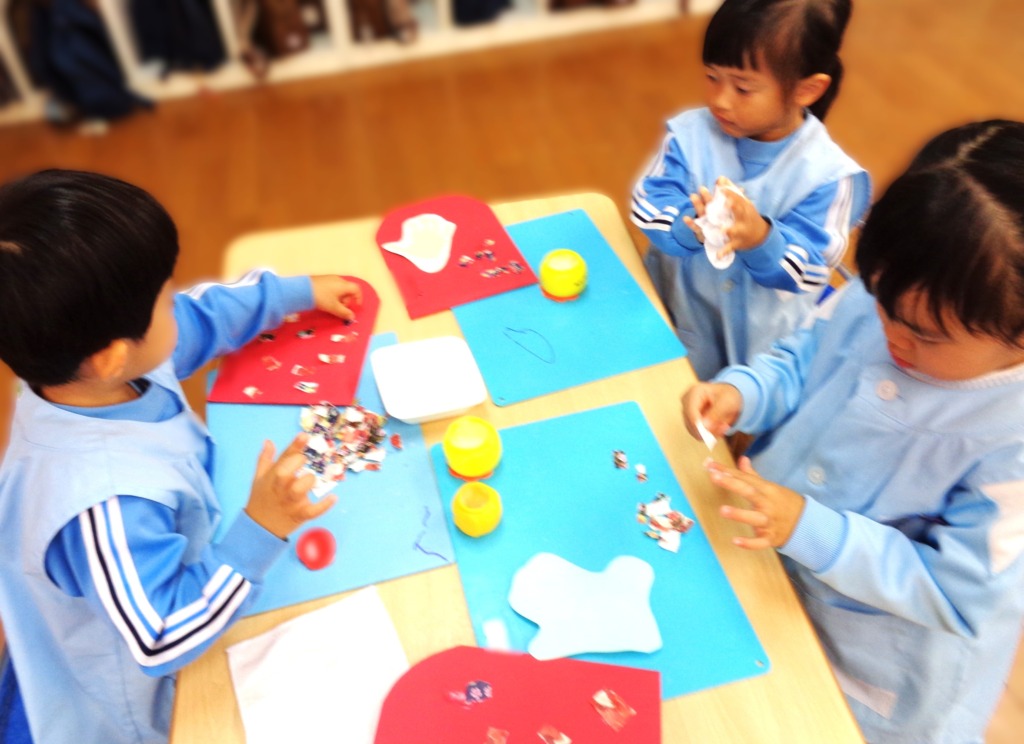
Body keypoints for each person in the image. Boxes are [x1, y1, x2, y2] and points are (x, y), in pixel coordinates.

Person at [681, 120, 1024, 743]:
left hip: (877, 665)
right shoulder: (891, 295)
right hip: (772, 576)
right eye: (882, 303)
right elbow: (805, 354)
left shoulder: (1013, 444)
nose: (891, 334)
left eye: (925, 336)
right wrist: (744, 392)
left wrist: (812, 529)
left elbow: (957, 594)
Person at [0, 169, 362, 743]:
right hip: (135, 698)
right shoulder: (104, 507)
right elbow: (161, 637)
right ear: (112, 356)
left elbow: (199, 320)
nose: (180, 302)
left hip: (160, 568)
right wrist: (260, 528)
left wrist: (289, 294)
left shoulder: (87, 373)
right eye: (164, 299)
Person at [630, 0, 870, 380]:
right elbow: (648, 203)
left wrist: (762, 239)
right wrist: (688, 223)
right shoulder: (690, 136)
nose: (719, 100)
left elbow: (810, 268)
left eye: (743, 88)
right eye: (712, 77)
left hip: (762, 354)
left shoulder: (830, 177)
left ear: (807, 90)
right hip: (678, 321)